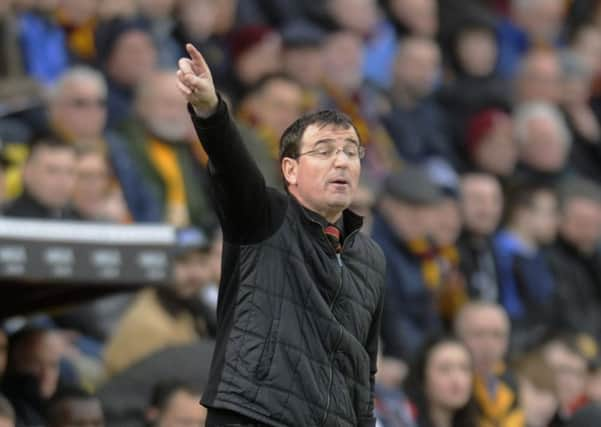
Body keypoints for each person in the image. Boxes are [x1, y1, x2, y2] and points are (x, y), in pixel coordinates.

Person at [177, 43, 385, 426]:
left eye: (351, 152)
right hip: (253, 415)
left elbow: (363, 369)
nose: (341, 160)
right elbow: (232, 165)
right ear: (290, 170)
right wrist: (211, 110)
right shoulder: (265, 216)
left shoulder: (371, 257)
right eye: (324, 151)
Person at [103, 227, 215, 376]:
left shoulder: (192, 308)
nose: (195, 274)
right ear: (160, 264)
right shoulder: (148, 321)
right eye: (183, 262)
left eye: (202, 263)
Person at [454, 302, 525, 427]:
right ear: (459, 338)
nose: (488, 345)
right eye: (479, 334)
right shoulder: (449, 388)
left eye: (497, 335)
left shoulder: (519, 384)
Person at [403, 335, 479, 427]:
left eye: (464, 368)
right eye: (444, 369)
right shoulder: (403, 420)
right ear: (422, 377)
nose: (457, 379)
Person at [2, 139, 81, 220]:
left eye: (70, 172)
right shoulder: (6, 219)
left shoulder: (82, 222)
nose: (63, 181)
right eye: (52, 171)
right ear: (28, 172)